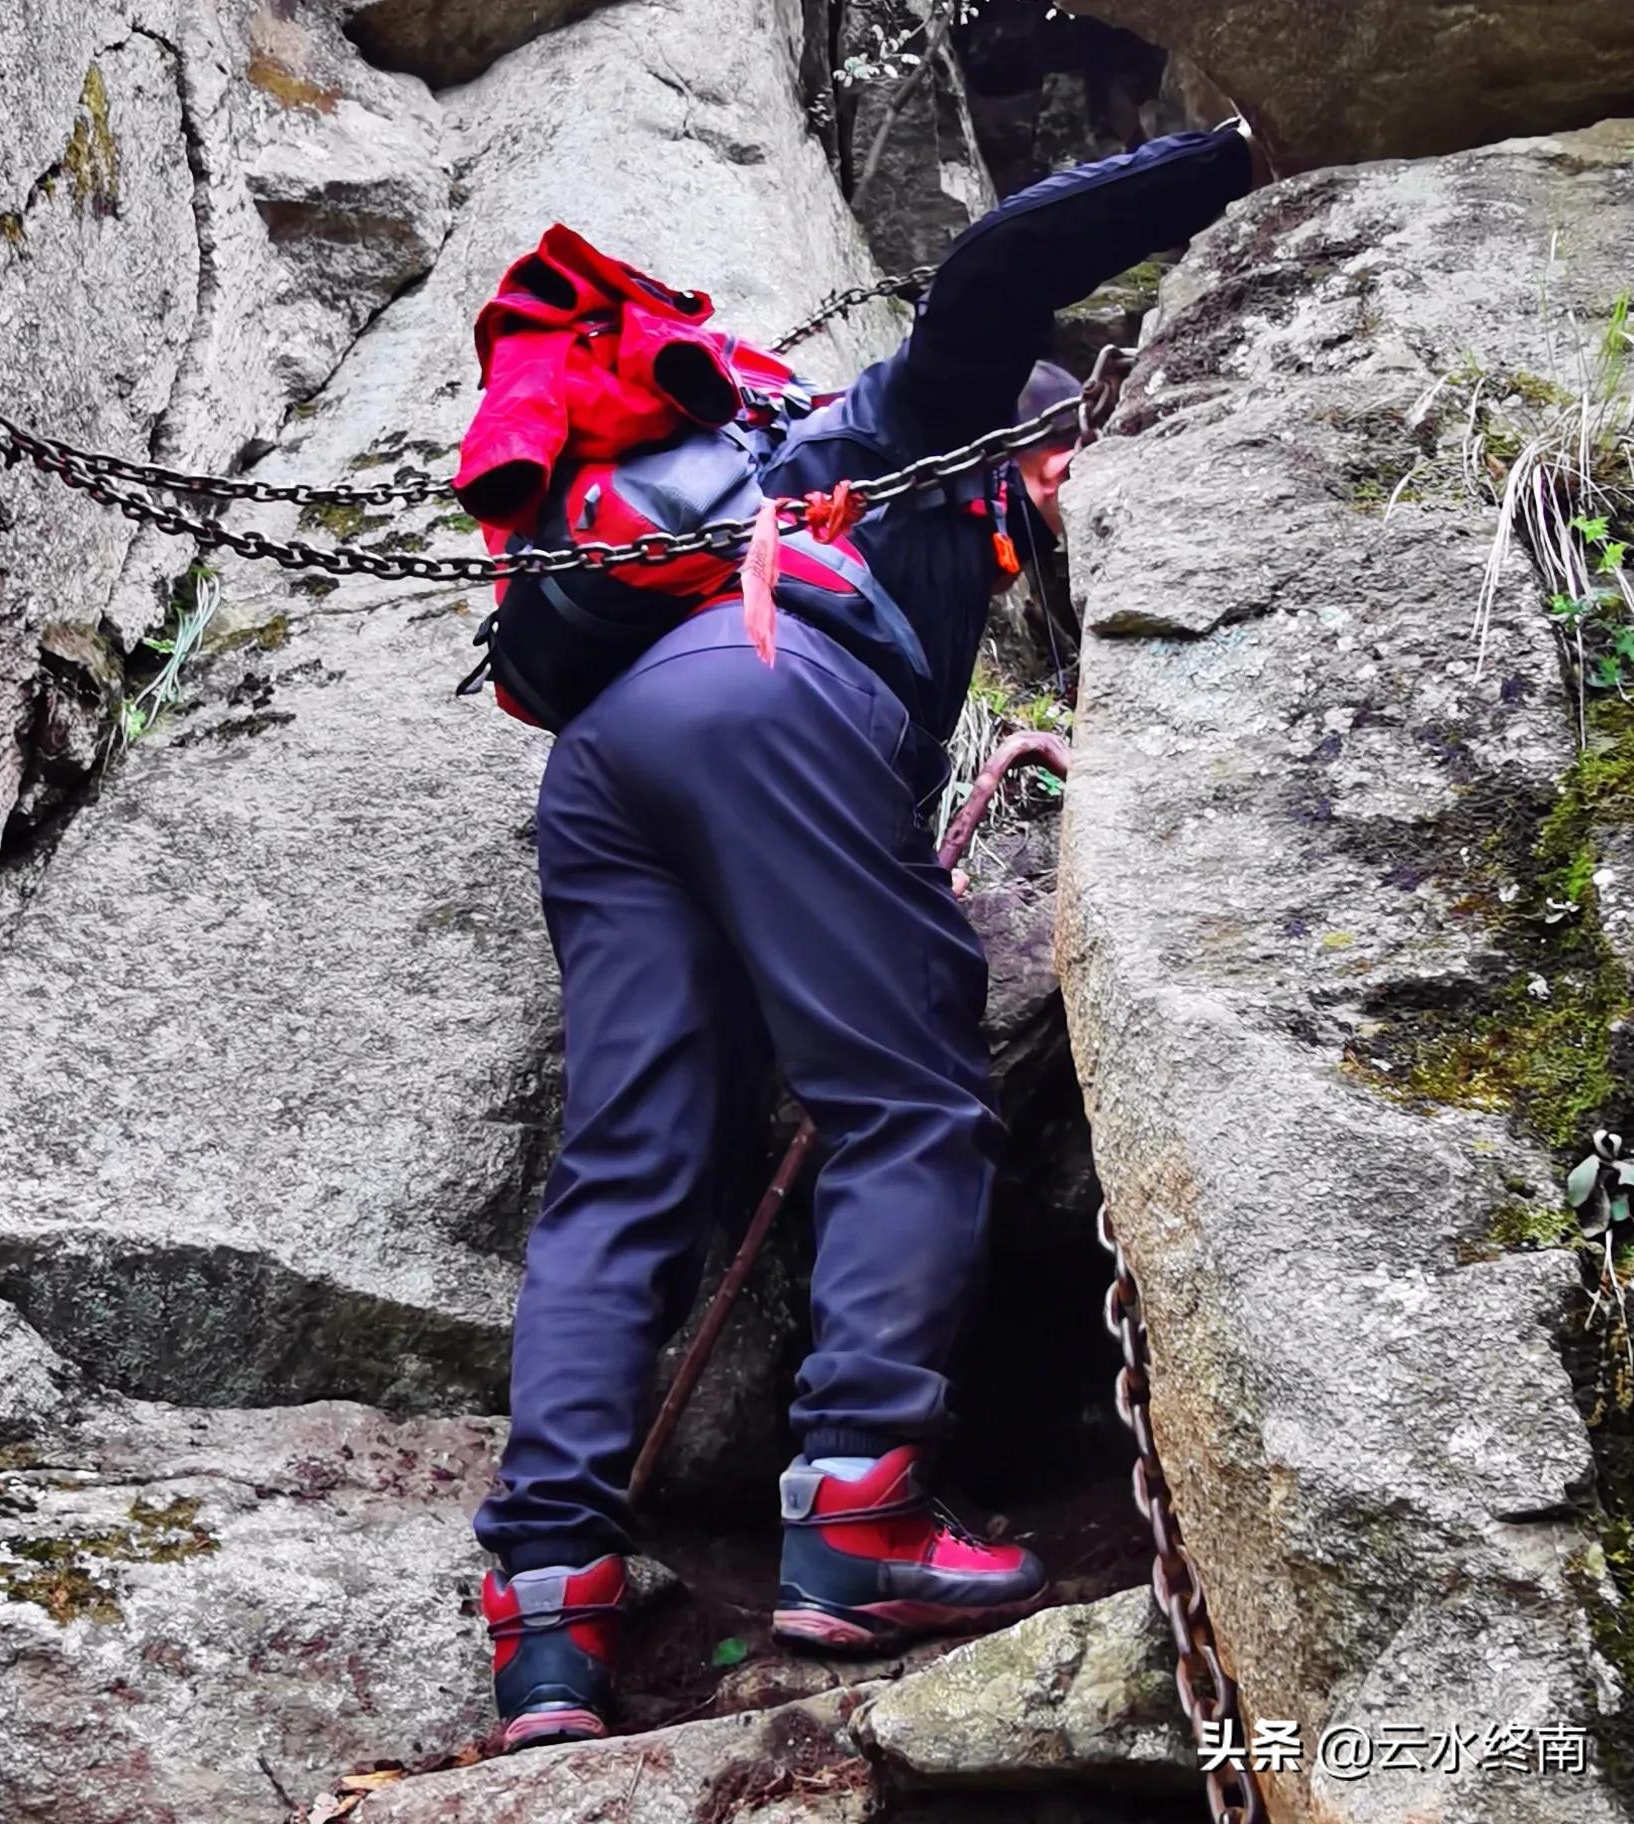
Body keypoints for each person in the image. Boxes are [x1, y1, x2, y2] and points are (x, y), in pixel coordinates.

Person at [473, 122, 1258, 1748]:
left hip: (607, 765)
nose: (1071, 508)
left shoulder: (765, 498)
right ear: (1029, 442)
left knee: (624, 1173)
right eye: (1067, 472)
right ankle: (860, 1519)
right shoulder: (913, 425)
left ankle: (550, 1613)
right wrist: (1241, 154)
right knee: (912, 1101)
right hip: (769, 692)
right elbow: (1000, 267)